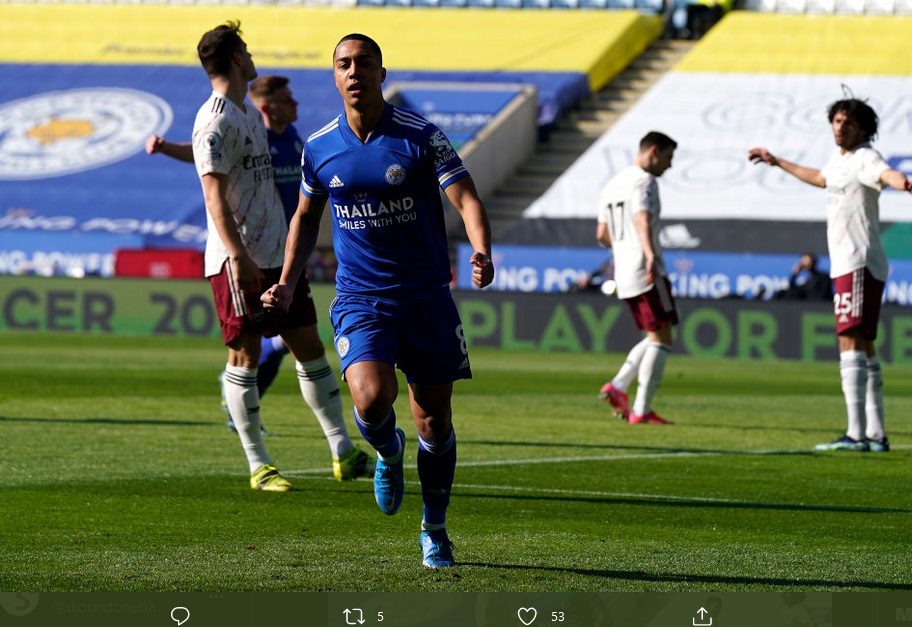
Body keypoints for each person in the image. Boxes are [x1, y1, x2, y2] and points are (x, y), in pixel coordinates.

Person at [262, 33, 494, 568]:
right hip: (362, 298)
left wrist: (480, 250)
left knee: (434, 421)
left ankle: (434, 528)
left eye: (363, 62)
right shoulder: (319, 147)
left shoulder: (420, 137)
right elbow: (304, 216)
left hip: (426, 299)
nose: (353, 71)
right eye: (343, 64)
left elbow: (466, 197)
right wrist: (290, 280)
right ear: (335, 75)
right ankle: (389, 452)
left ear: (381, 73)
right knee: (370, 398)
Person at [191, 21, 371, 491]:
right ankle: (258, 464)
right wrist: (238, 256)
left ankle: (343, 451)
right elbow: (213, 198)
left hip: (276, 253)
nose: (252, 58)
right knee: (244, 355)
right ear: (235, 58)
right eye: (246, 51)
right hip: (240, 259)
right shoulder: (215, 121)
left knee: (310, 349)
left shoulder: (248, 114)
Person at [749, 96, 912, 453]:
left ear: (864, 129)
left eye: (847, 123)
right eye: (837, 121)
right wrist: (777, 162)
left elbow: (887, 174)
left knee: (848, 340)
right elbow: (821, 178)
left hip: (856, 261)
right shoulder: (841, 160)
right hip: (852, 263)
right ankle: (877, 433)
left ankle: (856, 434)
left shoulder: (865, 157)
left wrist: (906, 183)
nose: (840, 128)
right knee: (864, 344)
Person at [146, 76, 305, 435]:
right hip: (257, 250)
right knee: (276, 341)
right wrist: (167, 147)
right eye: (287, 99)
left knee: (283, 340)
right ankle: (240, 402)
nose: (296, 104)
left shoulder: (291, 139)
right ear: (268, 107)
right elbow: (205, 152)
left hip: (287, 247)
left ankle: (242, 398)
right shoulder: (248, 131)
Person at [595, 131, 678, 426]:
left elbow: (602, 235)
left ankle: (618, 387)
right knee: (662, 337)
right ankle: (641, 409)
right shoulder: (645, 180)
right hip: (646, 266)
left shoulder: (612, 183)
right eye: (668, 157)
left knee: (654, 334)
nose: (669, 166)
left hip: (623, 269)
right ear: (653, 151)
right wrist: (649, 253)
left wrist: (624, 248)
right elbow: (642, 217)